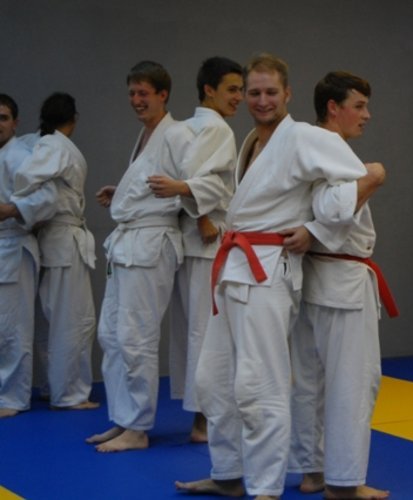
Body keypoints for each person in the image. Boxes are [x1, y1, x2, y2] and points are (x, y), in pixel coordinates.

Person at [174, 53, 384, 500]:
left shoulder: (305, 137)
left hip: (267, 270)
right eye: (254, 92)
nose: (262, 100)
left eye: (271, 92)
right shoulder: (252, 141)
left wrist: (319, 225)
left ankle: (265, 486)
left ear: (287, 93)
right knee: (213, 379)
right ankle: (227, 473)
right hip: (234, 266)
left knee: (259, 383)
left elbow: (357, 180)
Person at [288, 71, 393, 500]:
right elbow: (330, 208)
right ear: (333, 108)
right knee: (354, 382)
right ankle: (344, 481)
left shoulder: (306, 150)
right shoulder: (333, 152)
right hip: (343, 281)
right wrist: (373, 176)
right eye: (359, 106)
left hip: (310, 279)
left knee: (309, 380)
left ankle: (312, 470)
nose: (367, 115)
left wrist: (312, 232)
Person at [87, 61, 183, 452]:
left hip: (151, 244)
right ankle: (123, 418)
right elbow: (149, 185)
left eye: (144, 93)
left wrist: (166, 198)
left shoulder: (177, 134)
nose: (136, 100)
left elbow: (191, 186)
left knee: (136, 337)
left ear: (163, 94)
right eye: (132, 93)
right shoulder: (146, 135)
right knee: (111, 334)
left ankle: (138, 427)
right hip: (129, 241)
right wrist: (123, 193)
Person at [147, 56, 243, 443]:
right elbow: (199, 180)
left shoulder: (184, 127)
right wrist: (202, 215)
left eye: (240, 90)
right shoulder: (217, 128)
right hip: (207, 240)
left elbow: (176, 177)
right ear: (209, 90)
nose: (239, 97)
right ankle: (205, 420)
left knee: (193, 329)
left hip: (188, 240)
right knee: (208, 331)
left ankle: (202, 417)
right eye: (232, 89)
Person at [3, 92, 98, 412]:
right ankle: (68, 393)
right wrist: (15, 207)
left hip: (54, 239)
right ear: (75, 119)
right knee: (70, 320)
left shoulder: (41, 144)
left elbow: (31, 180)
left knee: (52, 321)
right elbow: (30, 180)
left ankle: (54, 386)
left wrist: (16, 207)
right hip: (60, 241)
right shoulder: (53, 145)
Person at [0, 94, 48, 418]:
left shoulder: (22, 156)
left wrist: (11, 209)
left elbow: (46, 198)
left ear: (15, 123)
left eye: (3, 117)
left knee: (13, 328)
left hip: (13, 244)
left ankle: (13, 397)